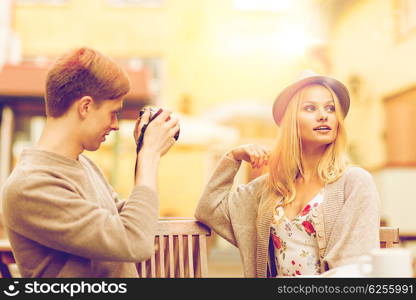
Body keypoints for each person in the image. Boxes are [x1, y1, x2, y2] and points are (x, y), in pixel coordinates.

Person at [1, 47, 180, 277]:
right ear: (85, 107)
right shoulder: (30, 186)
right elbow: (134, 242)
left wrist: (144, 152)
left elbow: (134, 224)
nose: (115, 125)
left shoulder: (85, 165)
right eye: (113, 113)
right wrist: (149, 157)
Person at [195, 70, 380, 278]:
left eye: (330, 108)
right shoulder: (270, 188)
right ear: (290, 121)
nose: (323, 115)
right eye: (310, 108)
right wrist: (232, 157)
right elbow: (208, 208)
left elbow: (353, 269)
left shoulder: (354, 182)